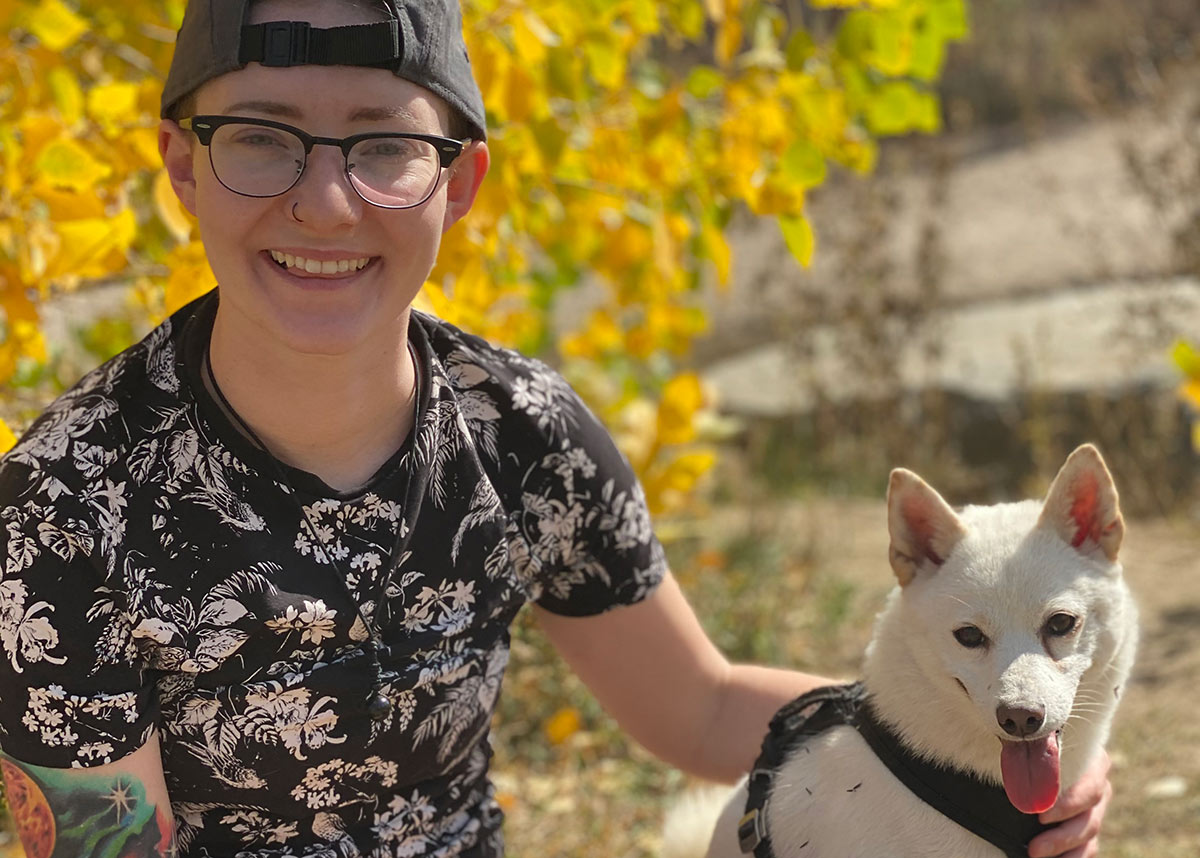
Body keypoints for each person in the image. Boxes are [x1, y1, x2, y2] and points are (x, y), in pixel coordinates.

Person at [0, 1, 1111, 856]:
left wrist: (996, 746)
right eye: (260, 138)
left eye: (383, 147)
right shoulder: (62, 508)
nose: (327, 203)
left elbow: (701, 708)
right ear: (182, 165)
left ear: (460, 181)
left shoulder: (522, 436)